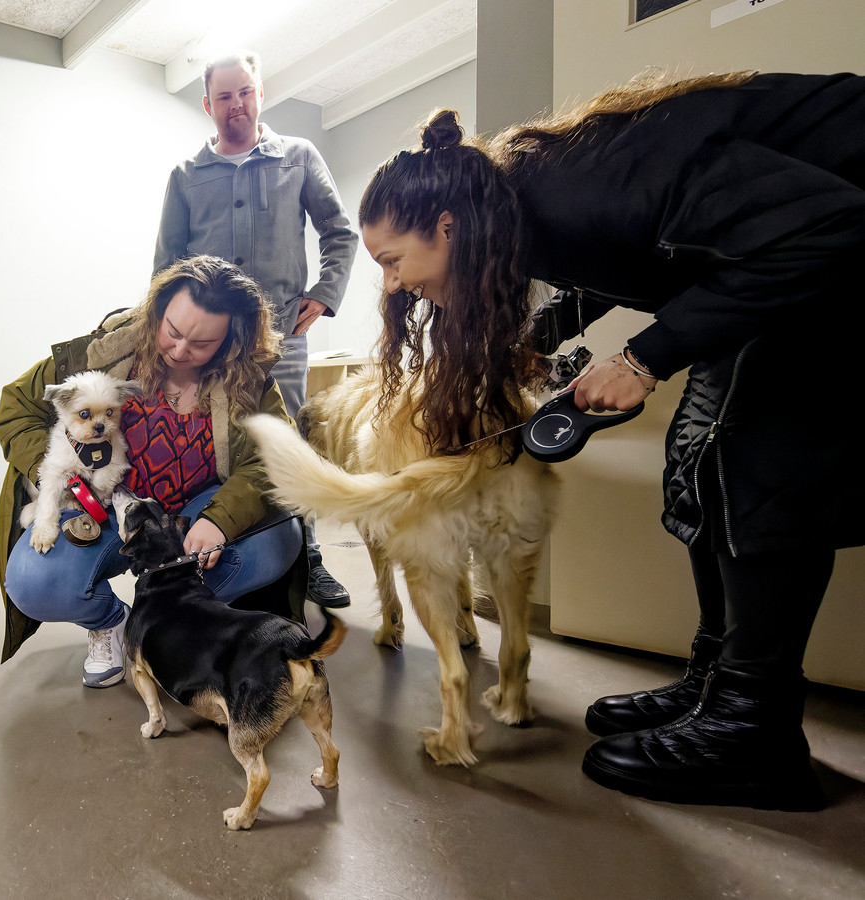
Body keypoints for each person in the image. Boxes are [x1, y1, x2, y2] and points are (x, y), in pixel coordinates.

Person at [355, 70, 865, 810]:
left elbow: (827, 224)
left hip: (837, 244)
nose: (394, 286)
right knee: (699, 451)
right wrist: (551, 329)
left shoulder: (578, 184)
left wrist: (644, 358)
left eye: (391, 262)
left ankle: (754, 730)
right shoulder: (520, 205)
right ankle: (719, 684)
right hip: (791, 255)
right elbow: (635, 249)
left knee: (757, 458)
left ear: (445, 226)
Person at [0, 256, 306, 686]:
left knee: (277, 539)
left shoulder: (249, 377)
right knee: (31, 581)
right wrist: (59, 469)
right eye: (172, 332)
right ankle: (112, 624)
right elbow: (14, 409)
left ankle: (176, 619)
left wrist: (219, 520)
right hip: (101, 508)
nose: (179, 351)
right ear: (157, 311)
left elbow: (274, 457)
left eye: (201, 343)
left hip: (194, 513)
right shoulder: (102, 352)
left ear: (231, 339)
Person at [155, 51, 359, 610]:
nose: (236, 105)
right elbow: (165, 269)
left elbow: (340, 234)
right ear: (208, 105)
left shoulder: (298, 157)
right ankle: (216, 548)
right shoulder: (186, 176)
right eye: (224, 96)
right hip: (209, 346)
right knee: (216, 444)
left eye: (244, 92)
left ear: (260, 94)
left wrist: (324, 293)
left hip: (283, 341)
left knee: (289, 444)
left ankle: (307, 558)